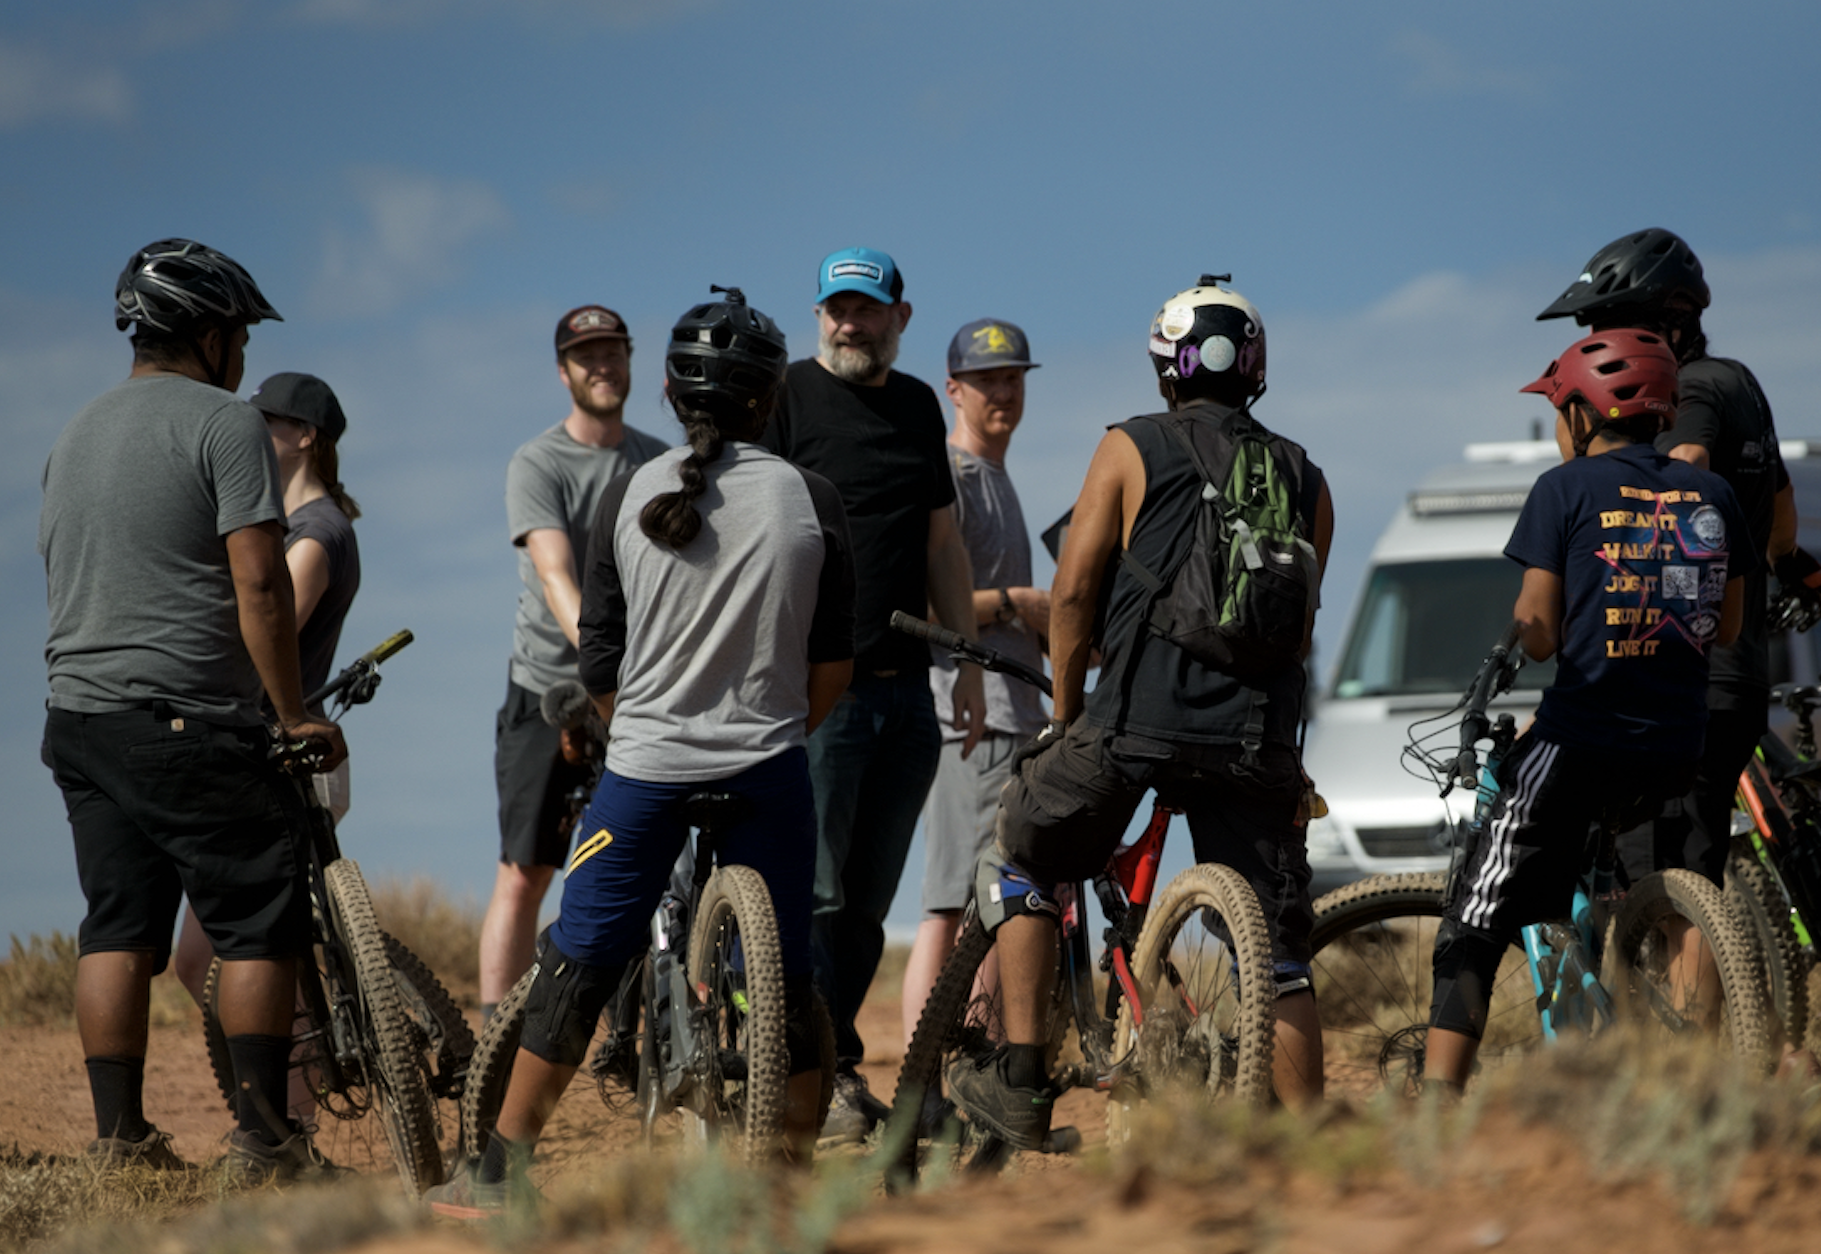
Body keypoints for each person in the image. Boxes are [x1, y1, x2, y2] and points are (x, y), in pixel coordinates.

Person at [426, 287, 854, 1217]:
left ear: (668, 390)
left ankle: (497, 1174)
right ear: (769, 396)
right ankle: (787, 1180)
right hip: (769, 769)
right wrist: (775, 730)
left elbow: (601, 662)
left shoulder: (626, 498)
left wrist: (649, 729)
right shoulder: (811, 498)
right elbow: (832, 663)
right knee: (790, 969)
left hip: (647, 771)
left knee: (583, 955)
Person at [946, 277, 1334, 1150]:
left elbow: (1075, 592)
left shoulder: (1129, 446)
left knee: (1022, 857)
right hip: (1254, 739)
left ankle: (1018, 1084)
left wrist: (1068, 713)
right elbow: (1297, 625)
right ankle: (1313, 1154)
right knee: (1275, 955)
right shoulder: (1306, 475)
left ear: (1166, 370)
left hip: (1134, 725)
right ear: (1258, 371)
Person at [38, 239, 346, 1180]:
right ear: (210, 337)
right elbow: (259, 581)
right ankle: (267, 1143)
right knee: (259, 923)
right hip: (188, 719)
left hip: (79, 718)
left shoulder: (76, 430)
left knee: (117, 928)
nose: (246, 357)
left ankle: (119, 1144)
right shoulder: (223, 425)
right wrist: (290, 714)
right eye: (242, 336)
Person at [1424, 327, 1749, 1091]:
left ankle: (1432, 1107)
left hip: (1581, 740)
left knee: (1473, 914)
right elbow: (1727, 627)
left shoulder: (1561, 490)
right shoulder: (1712, 494)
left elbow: (1537, 632)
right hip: (1677, 745)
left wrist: (1502, 651)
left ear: (1580, 410)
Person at [757, 247, 986, 1142]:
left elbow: (941, 545)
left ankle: (831, 1064)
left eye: (865, 309)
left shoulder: (920, 406)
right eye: (835, 309)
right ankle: (814, 1078)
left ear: (900, 317)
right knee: (810, 896)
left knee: (863, 908)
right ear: (818, 315)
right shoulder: (786, 398)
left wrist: (964, 659)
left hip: (907, 694)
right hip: (817, 694)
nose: (848, 324)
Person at [1538, 228, 1819, 892]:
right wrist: (1784, 565)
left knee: (1664, 881)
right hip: (1740, 670)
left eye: (1608, 324)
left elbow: (1680, 474)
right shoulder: (1737, 382)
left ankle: (1686, 1003)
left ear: (1667, 318)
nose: (1597, 344)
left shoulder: (1687, 391)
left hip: (1674, 676)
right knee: (1696, 862)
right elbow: (1778, 506)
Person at [479, 306, 668, 1020]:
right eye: (585, 356)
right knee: (525, 871)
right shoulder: (539, 462)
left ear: (629, 362)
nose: (601, 366)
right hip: (548, 689)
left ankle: (640, 1022)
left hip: (638, 689)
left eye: (612, 352)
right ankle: (496, 1032)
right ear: (564, 372)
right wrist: (605, 661)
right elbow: (554, 571)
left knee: (644, 859)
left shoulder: (655, 462)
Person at [172, 373, 362, 1072]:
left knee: (236, 955)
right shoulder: (298, 527)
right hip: (279, 756)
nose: (251, 431)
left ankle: (297, 1117)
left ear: (305, 436)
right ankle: (285, 1112)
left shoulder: (315, 533)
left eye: (267, 421)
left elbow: (264, 633)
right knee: (201, 959)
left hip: (285, 759)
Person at [899, 319, 1050, 1050]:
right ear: (951, 389)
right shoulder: (951, 477)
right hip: (970, 719)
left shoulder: (996, 475)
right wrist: (1021, 605)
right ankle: (925, 1086)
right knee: (949, 903)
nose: (1003, 390)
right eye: (987, 379)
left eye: (1013, 376)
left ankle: (974, 1068)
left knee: (992, 902)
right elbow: (921, 608)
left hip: (1013, 714)